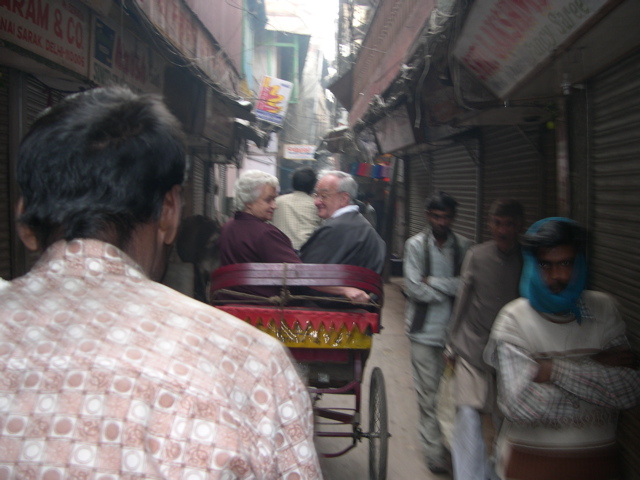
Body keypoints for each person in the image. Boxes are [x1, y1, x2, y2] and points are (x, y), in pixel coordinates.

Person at [0, 86, 323, 479]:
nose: (273, 204)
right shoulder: (253, 365)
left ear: (24, 224)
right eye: (269, 198)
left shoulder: (235, 233)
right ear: (169, 212)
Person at [484, 218, 640, 480]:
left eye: (566, 263)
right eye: (546, 265)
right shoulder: (514, 320)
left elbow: (629, 391)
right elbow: (520, 405)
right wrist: (597, 371)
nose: (557, 276)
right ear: (533, 265)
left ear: (579, 262)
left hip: (599, 469)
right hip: (527, 469)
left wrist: (552, 370)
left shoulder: (605, 310)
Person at [447, 199, 525, 480]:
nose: (503, 230)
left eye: (509, 224)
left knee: (506, 421)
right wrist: (451, 343)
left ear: (519, 226)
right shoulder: (477, 255)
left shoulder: (526, 260)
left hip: (510, 354)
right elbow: (462, 300)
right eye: (498, 223)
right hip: (471, 347)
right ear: (490, 224)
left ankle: (495, 471)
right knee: (468, 414)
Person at [218, 169, 369, 302]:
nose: (274, 205)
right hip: (262, 312)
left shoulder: (228, 226)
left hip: (229, 306)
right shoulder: (265, 234)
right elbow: (299, 273)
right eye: (268, 200)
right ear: (248, 202)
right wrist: (345, 289)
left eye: (274, 199)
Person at [403, 191, 473, 474]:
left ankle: (456, 449)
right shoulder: (415, 246)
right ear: (428, 216)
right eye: (436, 216)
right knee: (428, 396)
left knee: (457, 399)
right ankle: (435, 453)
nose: (441, 221)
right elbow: (414, 289)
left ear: (453, 218)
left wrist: (433, 281)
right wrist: (450, 287)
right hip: (423, 333)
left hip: (455, 336)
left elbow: (467, 288)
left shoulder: (466, 247)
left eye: (446, 217)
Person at [299, 170, 385, 274]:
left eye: (323, 196)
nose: (316, 202)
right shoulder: (364, 226)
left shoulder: (334, 229)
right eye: (316, 195)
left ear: (344, 198)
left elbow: (306, 271)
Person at [272, 166, 322, 251]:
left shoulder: (277, 202)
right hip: (306, 253)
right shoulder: (317, 205)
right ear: (313, 186)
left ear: (293, 183)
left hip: (280, 251)